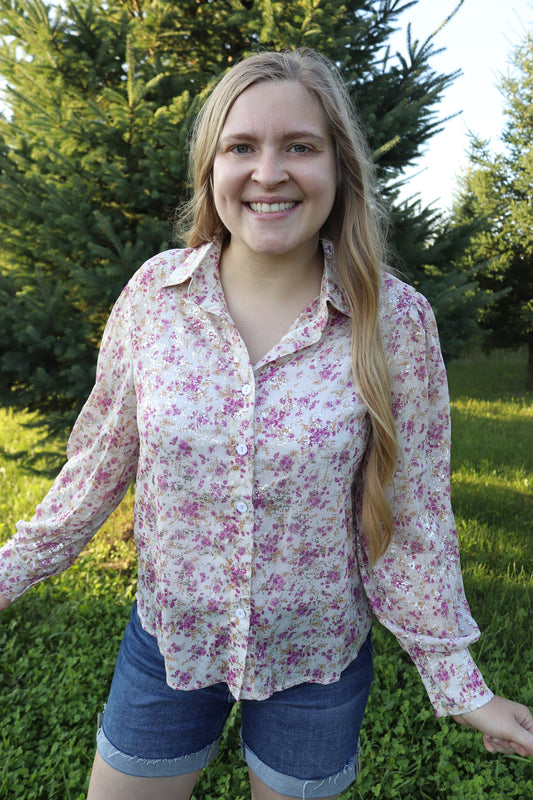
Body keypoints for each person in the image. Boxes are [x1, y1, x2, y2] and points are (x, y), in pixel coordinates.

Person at [0, 48, 532, 800]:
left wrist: (459, 683)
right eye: (241, 147)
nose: (268, 171)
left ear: (337, 167)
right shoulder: (156, 296)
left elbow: (411, 513)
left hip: (315, 664)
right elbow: (95, 467)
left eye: (299, 147)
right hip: (168, 649)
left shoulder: (394, 320)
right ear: (210, 168)